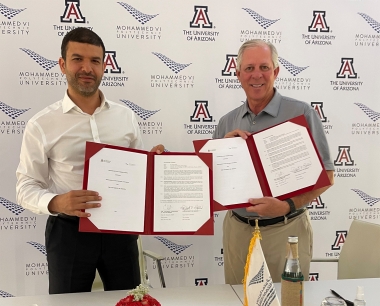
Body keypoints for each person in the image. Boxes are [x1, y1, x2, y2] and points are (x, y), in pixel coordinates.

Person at [16, 28, 164, 294]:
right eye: (77, 59)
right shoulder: (41, 124)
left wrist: (155, 166)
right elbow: (26, 186)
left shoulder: (126, 117)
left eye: (95, 61)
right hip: (69, 232)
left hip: (121, 232)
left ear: (104, 66)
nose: (87, 68)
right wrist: (56, 201)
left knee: (130, 299)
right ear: (62, 65)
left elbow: (138, 175)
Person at [213, 39, 334, 284]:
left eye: (264, 67)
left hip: (286, 230)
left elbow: (327, 177)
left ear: (276, 72)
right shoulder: (226, 122)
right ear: (237, 74)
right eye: (249, 68)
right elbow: (212, 182)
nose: (256, 75)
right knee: (238, 300)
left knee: (287, 300)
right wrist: (222, 151)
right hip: (238, 232)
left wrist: (286, 205)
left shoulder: (301, 114)